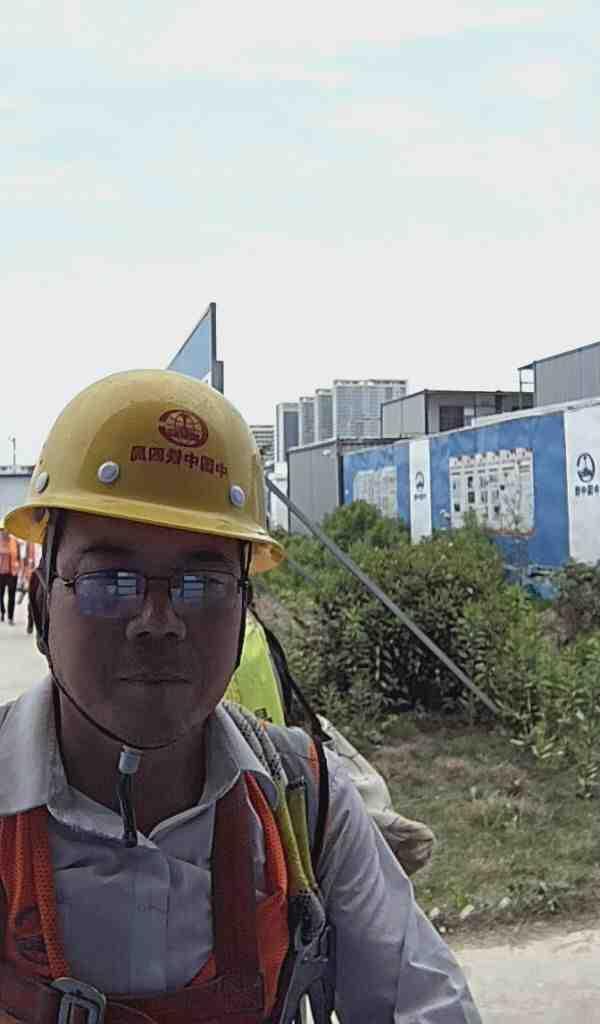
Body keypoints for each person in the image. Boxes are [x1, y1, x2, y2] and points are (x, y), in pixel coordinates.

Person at [1, 369, 481, 1023]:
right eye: (110, 580)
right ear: (40, 603)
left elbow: (427, 1006)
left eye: (201, 585)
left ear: (245, 609)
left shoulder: (305, 802)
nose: (158, 621)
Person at [0, 521, 20, 625]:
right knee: (0, 595)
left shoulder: (15, 542)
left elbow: (19, 557)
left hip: (12, 574)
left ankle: (10, 617)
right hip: (0, 574)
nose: (5, 532)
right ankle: (2, 611)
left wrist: (19, 568)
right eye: (2, 530)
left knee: (11, 596)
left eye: (6, 529)